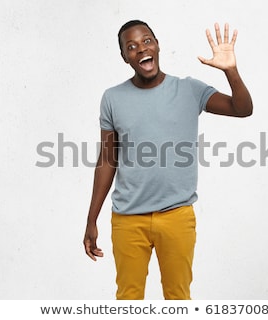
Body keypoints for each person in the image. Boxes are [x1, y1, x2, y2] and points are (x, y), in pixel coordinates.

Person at [83, 20, 253, 300]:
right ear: (125, 57)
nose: (141, 49)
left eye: (147, 41)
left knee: (178, 299)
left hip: (176, 216)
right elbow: (107, 160)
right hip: (127, 219)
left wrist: (231, 71)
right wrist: (92, 219)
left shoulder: (189, 89)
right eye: (131, 46)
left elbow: (242, 109)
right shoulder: (112, 98)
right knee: (128, 299)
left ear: (158, 45)